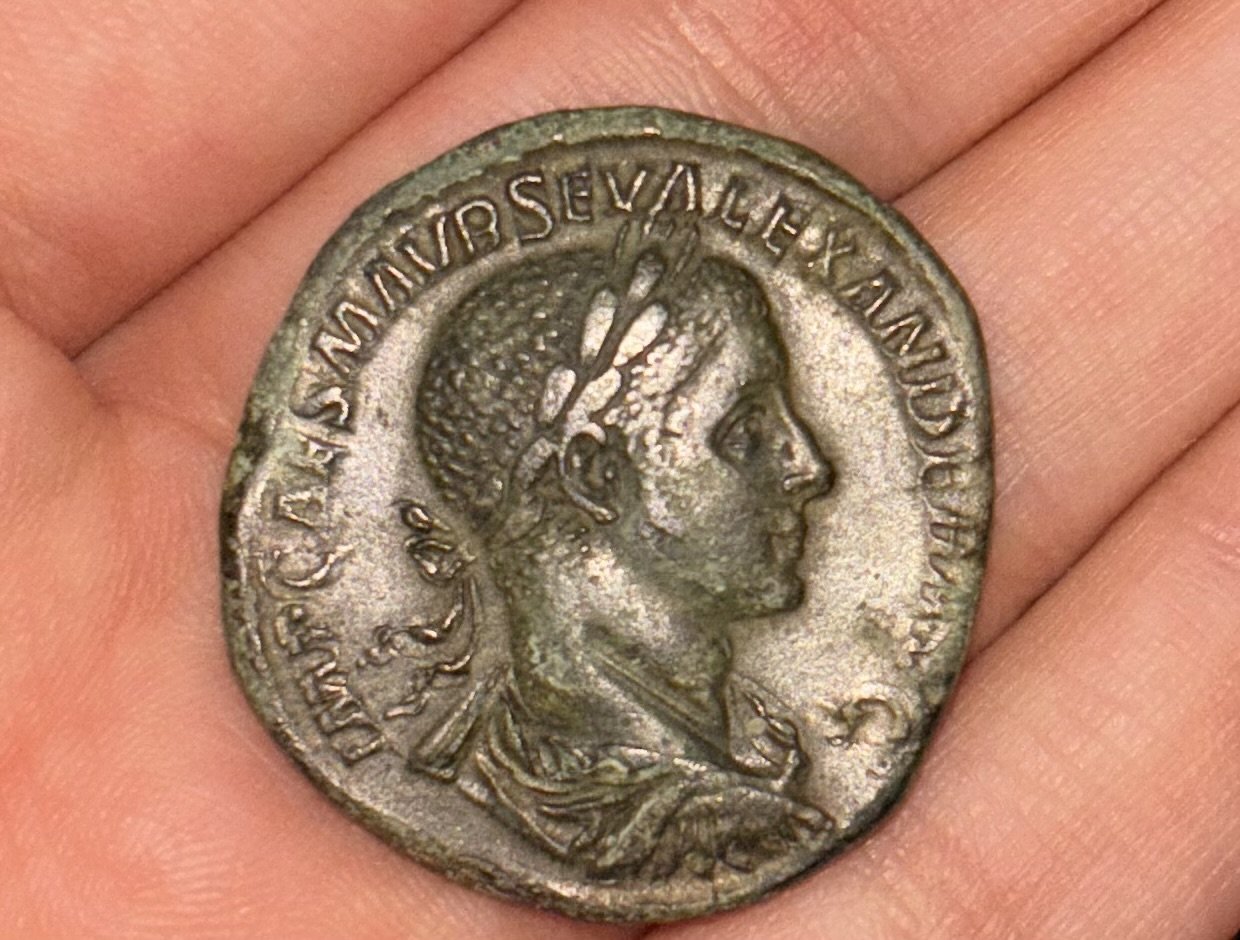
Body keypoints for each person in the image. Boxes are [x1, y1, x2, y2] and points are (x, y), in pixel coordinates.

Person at [407, 234, 834, 878]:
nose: (810, 467)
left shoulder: (762, 742)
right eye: (746, 432)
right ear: (598, 476)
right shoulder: (603, 812)